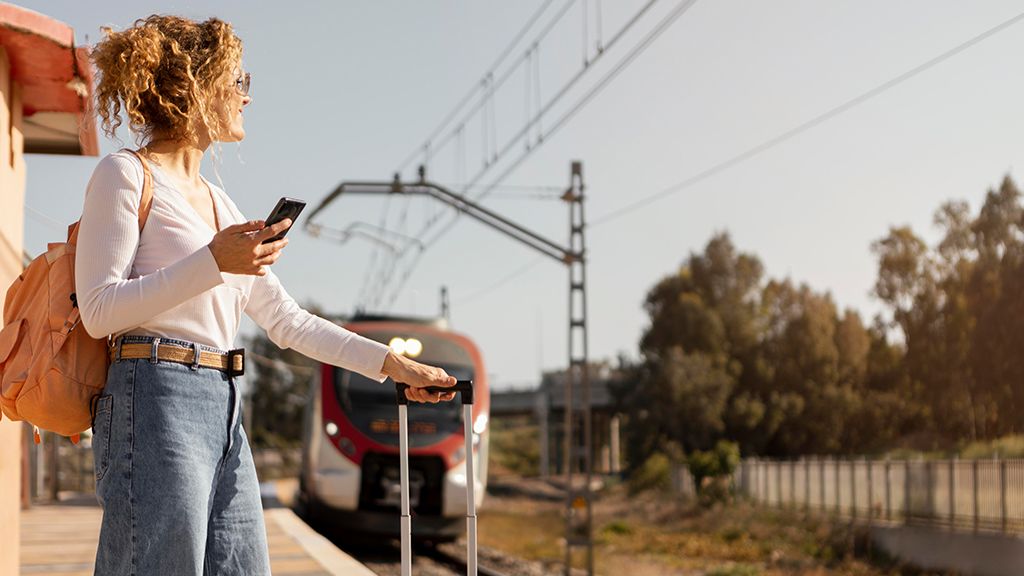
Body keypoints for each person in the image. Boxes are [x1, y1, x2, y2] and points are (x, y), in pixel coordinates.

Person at [76, 14, 455, 575]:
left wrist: (392, 364)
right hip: (151, 397)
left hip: (223, 401)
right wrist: (212, 262)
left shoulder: (220, 204)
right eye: (237, 81)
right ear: (193, 87)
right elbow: (98, 311)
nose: (246, 97)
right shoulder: (125, 175)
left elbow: (287, 320)